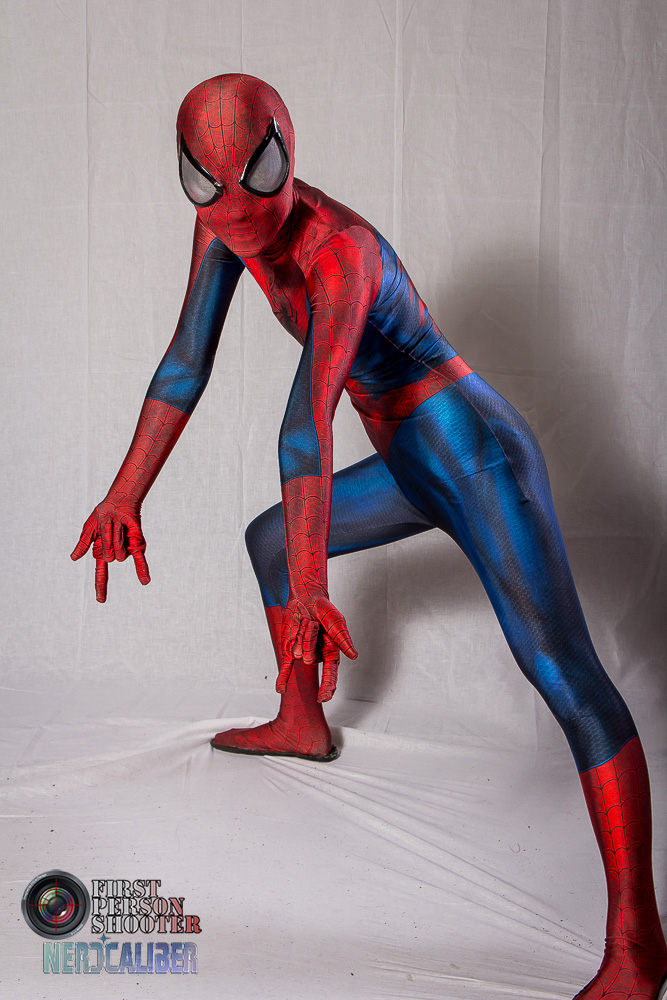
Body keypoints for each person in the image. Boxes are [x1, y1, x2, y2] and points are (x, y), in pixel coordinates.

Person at [72, 74, 667, 999]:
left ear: (286, 155)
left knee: (561, 671)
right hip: (409, 460)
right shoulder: (224, 221)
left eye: (255, 177)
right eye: (207, 186)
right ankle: (301, 719)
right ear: (189, 176)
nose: (234, 209)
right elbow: (187, 361)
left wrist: (314, 589)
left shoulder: (339, 252)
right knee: (270, 542)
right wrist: (124, 493)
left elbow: (305, 423)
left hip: (475, 455)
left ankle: (637, 943)